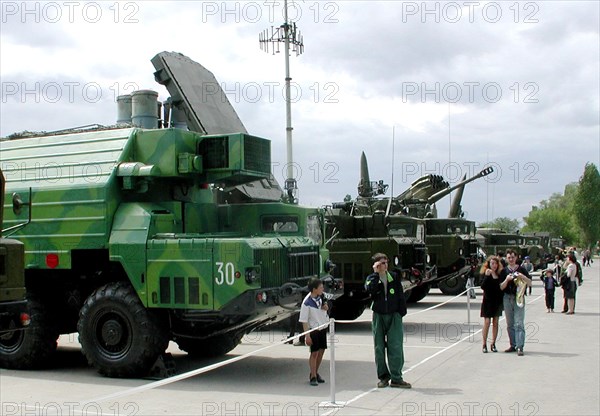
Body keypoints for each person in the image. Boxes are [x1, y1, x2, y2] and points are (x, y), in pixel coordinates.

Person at [365, 253, 411, 388]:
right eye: (381, 263)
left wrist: (401, 312)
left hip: (394, 315)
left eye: (386, 262)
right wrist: (375, 274)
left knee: (395, 346)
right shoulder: (371, 278)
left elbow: (400, 295)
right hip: (379, 315)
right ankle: (383, 377)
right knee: (379, 347)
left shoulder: (394, 277)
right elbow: (370, 290)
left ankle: (396, 377)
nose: (385, 265)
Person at [500, 249, 532, 356]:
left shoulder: (522, 269)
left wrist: (522, 277)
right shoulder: (504, 271)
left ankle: (520, 346)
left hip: (519, 297)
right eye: (509, 257)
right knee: (510, 323)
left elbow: (530, 283)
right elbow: (501, 287)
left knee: (519, 322)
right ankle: (513, 344)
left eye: (513, 257)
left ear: (516, 257)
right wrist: (507, 280)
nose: (511, 259)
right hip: (507, 297)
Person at [299, 278, 329, 386]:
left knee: (321, 351)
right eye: (320, 287)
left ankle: (316, 371)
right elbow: (304, 321)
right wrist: (307, 336)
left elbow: (326, 306)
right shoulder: (306, 303)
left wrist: (325, 307)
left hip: (322, 327)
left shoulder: (321, 297)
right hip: (313, 329)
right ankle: (312, 376)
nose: (322, 289)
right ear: (314, 289)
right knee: (314, 352)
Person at [479, 256, 504, 353]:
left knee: (496, 322)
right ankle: (484, 343)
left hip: (497, 301)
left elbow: (501, 288)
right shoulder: (485, 273)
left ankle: (493, 343)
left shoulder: (499, 274)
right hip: (487, 301)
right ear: (489, 264)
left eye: (495, 263)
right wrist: (486, 276)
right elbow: (482, 286)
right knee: (487, 322)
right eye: (492, 263)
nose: (494, 265)